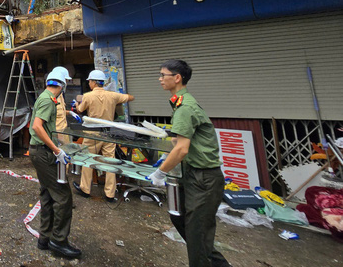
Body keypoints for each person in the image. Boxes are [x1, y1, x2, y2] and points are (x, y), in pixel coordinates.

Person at [147, 59, 230, 267]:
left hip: (203, 178)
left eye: (163, 75)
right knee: (185, 224)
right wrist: (170, 154)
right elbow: (180, 142)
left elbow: (182, 148)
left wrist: (161, 173)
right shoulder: (180, 103)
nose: (160, 79)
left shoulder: (185, 106)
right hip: (193, 174)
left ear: (177, 78)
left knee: (197, 236)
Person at [28, 69, 81, 259]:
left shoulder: (47, 98)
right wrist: (57, 149)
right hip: (43, 152)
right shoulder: (48, 100)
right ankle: (59, 242)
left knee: (48, 194)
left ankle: (45, 238)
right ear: (63, 84)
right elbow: (37, 126)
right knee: (63, 196)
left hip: (42, 151)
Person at [73, 70, 134, 202]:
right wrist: (116, 102)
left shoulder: (88, 96)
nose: (89, 83)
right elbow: (130, 97)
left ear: (94, 82)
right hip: (108, 133)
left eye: (89, 81)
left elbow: (80, 110)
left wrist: (77, 104)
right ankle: (110, 194)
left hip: (92, 134)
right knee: (109, 162)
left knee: (88, 160)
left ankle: (85, 189)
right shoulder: (113, 95)